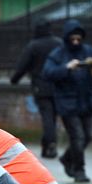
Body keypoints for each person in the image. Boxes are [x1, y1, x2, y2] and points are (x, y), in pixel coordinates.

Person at [41, 19, 92, 184]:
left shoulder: (88, 50)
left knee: (88, 136)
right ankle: (79, 170)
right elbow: (48, 72)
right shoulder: (58, 54)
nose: (76, 42)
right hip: (68, 104)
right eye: (73, 39)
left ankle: (67, 158)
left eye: (79, 39)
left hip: (87, 101)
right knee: (77, 137)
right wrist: (66, 68)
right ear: (67, 38)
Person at [10, 18, 63, 158]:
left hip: (41, 86)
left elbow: (23, 65)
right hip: (58, 86)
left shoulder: (34, 45)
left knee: (47, 117)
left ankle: (50, 144)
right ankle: (48, 145)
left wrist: (14, 79)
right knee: (53, 117)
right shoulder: (58, 43)